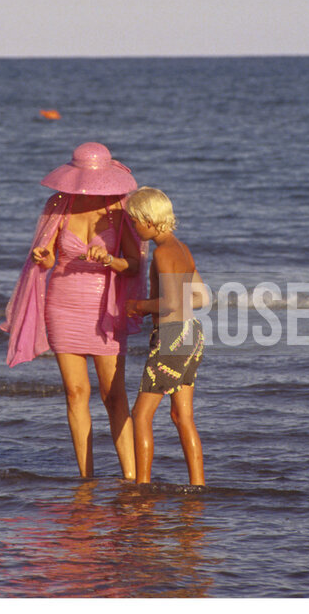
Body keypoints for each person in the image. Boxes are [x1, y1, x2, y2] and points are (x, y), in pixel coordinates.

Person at [2, 143, 146, 478]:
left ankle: (130, 478)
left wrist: (109, 259)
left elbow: (135, 265)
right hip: (62, 305)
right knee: (75, 393)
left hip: (106, 309)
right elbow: (51, 257)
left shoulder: (119, 209)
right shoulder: (59, 205)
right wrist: (43, 258)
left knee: (114, 395)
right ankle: (86, 477)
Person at [124, 187, 209, 487]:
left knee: (140, 414)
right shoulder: (182, 249)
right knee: (181, 416)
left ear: (149, 220)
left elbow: (171, 302)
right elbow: (201, 297)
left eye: (135, 222)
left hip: (172, 337)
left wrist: (138, 306)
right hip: (192, 334)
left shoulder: (162, 253)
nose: (134, 229)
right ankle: (197, 485)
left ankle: (142, 488)